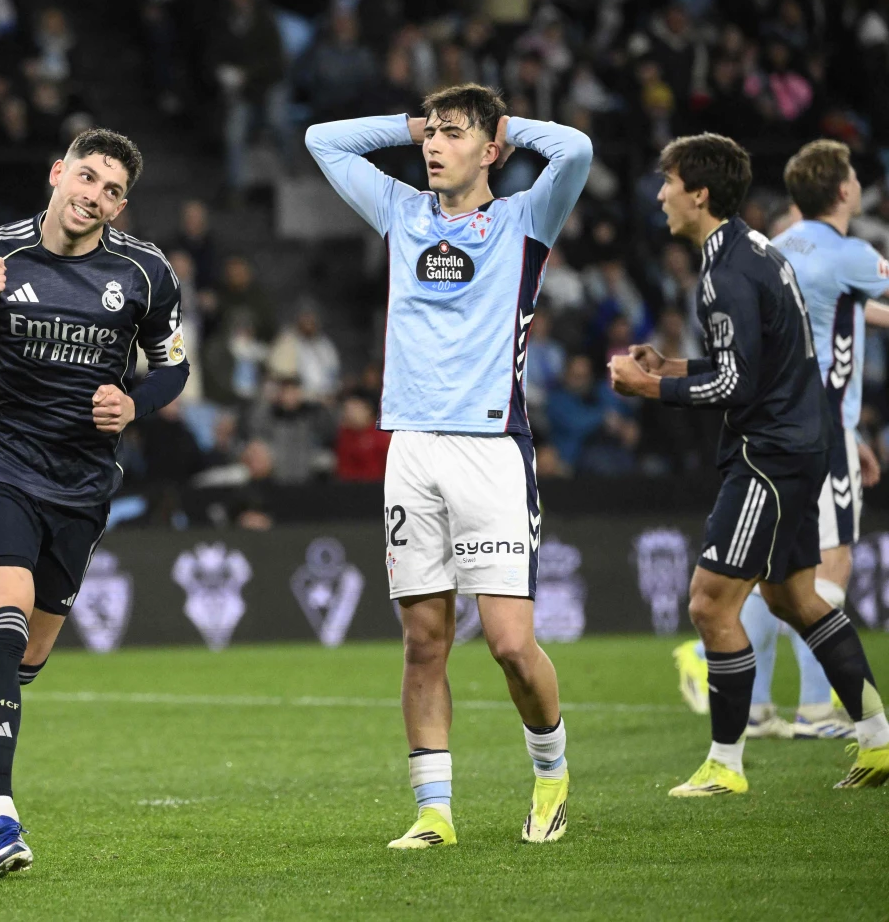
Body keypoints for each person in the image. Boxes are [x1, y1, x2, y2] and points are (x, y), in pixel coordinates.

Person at [306, 83, 593, 849]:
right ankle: (435, 811)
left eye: (452, 134)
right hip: (413, 449)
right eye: (428, 134)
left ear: (492, 148)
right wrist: (408, 123)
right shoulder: (402, 213)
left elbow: (577, 150)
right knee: (423, 642)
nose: (433, 146)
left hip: (491, 449)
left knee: (507, 643)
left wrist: (501, 122)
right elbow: (321, 140)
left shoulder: (526, 219)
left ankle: (551, 774)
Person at [0, 129, 189, 876]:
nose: (94, 196)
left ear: (121, 205)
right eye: (85, 177)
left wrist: (134, 403)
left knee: (30, 652)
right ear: (56, 174)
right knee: (8, 625)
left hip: (82, 482)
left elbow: (173, 367)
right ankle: (0, 817)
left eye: (111, 190)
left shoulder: (145, 273)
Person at [609, 134, 889, 795]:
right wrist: (674, 366)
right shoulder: (757, 248)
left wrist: (652, 389)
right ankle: (878, 740)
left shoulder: (724, 274)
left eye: (669, 182)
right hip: (803, 440)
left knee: (709, 604)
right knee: (794, 595)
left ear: (699, 194)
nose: (660, 195)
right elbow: (755, 366)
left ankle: (725, 766)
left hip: (768, 454)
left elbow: (735, 386)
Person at [674, 139, 889, 740]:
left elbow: (842, 311)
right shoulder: (849, 254)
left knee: (779, 577)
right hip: (815, 426)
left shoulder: (777, 247)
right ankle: (819, 709)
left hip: (792, 421)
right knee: (826, 569)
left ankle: (761, 703)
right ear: (846, 190)